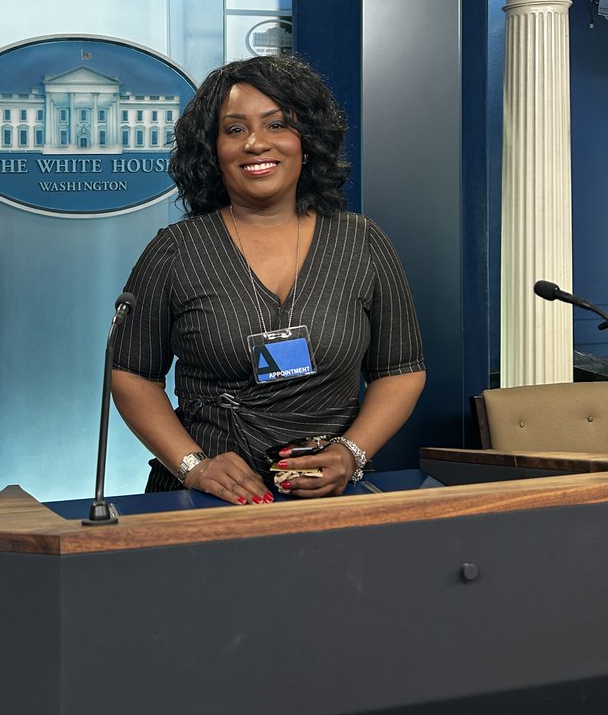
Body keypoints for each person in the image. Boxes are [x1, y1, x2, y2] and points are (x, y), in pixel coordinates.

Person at [111, 53, 426, 506]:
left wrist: (351, 453)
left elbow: (401, 371)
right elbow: (132, 375)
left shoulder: (363, 241)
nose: (256, 143)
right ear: (212, 150)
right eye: (235, 129)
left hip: (329, 498)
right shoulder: (176, 250)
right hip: (205, 502)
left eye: (277, 125)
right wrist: (193, 465)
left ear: (308, 140)